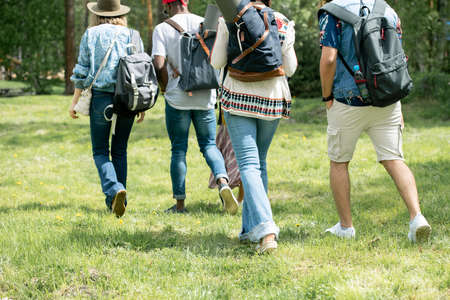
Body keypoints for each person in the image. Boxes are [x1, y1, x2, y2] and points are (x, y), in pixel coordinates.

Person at [318, 0, 431, 242]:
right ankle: (417, 217)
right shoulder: (388, 9)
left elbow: (328, 59)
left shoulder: (333, 12)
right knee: (394, 159)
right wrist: (397, 100)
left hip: (348, 99)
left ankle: (346, 227)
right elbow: (397, 56)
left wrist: (327, 95)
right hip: (386, 98)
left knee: (339, 162)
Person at [210, 0, 298, 253]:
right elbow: (290, 68)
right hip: (272, 98)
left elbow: (217, 62)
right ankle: (250, 230)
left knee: (248, 164)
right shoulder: (281, 20)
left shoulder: (232, 17)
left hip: (238, 97)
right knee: (259, 163)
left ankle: (266, 230)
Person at [152, 0, 238, 214]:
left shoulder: (162, 29)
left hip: (176, 97)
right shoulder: (205, 23)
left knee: (178, 149)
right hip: (205, 95)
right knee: (209, 145)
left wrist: (164, 88)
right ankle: (223, 182)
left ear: (167, 5)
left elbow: (158, 63)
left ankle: (180, 204)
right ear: (186, 2)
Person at [69, 0, 145, 218]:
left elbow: (82, 71)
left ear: (98, 13)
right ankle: (119, 199)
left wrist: (74, 101)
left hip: (102, 99)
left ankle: (114, 191)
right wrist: (141, 105)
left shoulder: (91, 34)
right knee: (120, 149)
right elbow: (140, 70)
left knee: (100, 151)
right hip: (129, 98)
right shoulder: (133, 35)